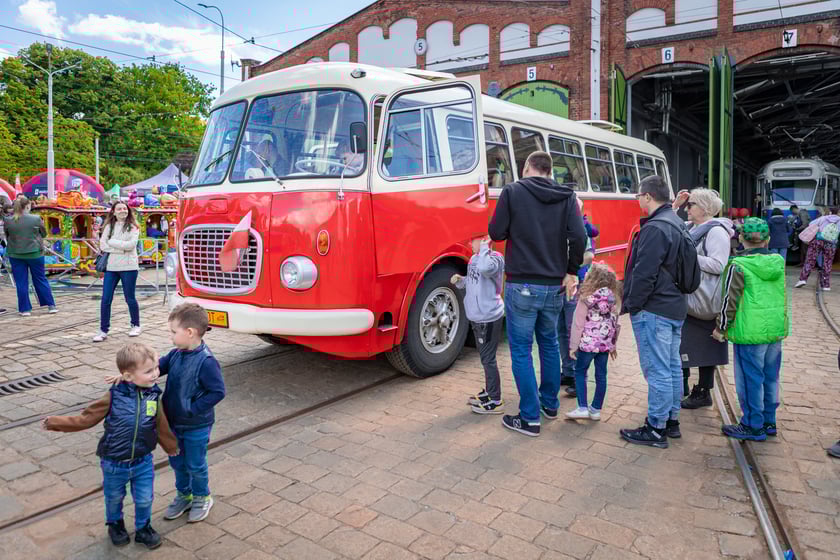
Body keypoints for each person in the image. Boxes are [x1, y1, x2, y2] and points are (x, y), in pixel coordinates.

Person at [489, 151, 587, 437]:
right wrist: (571, 270)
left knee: (521, 350)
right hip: (554, 284)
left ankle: (529, 418)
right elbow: (579, 237)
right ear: (549, 170)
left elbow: (496, 232)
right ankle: (550, 405)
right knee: (549, 345)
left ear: (527, 167)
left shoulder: (512, 191)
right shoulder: (567, 196)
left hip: (522, 283)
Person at [43, 343, 178, 549]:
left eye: (156, 369)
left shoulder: (153, 395)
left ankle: (144, 528)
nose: (155, 374)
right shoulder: (113, 395)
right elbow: (86, 419)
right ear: (128, 376)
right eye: (149, 371)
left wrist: (170, 447)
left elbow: (160, 424)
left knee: (144, 498)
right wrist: (56, 422)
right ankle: (115, 524)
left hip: (143, 461)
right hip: (114, 462)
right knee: (114, 497)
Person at [620, 176, 688, 448]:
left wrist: (633, 305)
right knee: (671, 366)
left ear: (647, 196)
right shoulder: (676, 222)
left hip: (655, 309)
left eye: (639, 195)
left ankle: (655, 428)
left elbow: (643, 273)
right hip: (674, 305)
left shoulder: (655, 228)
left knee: (657, 369)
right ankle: (671, 421)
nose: (637, 200)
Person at [715, 218, 788, 441]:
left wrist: (721, 328)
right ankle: (768, 420)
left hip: (749, 331)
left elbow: (730, 300)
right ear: (767, 240)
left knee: (751, 378)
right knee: (770, 376)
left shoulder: (738, 265)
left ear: (741, 240)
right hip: (774, 329)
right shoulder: (777, 262)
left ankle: (752, 424)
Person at [161, 303, 226, 522]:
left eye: (173, 332)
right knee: (177, 462)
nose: (171, 337)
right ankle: (184, 495)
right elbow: (156, 367)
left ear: (189, 333)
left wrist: (192, 409)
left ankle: (202, 496)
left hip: (196, 425)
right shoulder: (175, 354)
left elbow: (217, 392)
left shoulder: (206, 362)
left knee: (196, 464)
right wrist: (136, 370)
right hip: (173, 424)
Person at [670, 188, 734, 410]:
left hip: (704, 299)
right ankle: (683, 386)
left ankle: (703, 391)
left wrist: (690, 258)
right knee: (682, 343)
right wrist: (675, 205)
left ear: (705, 208)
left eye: (691, 204)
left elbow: (719, 265)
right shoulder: (690, 227)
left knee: (708, 346)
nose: (688, 209)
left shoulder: (716, 232)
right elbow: (665, 225)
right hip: (689, 295)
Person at [452, 236, 505, 414]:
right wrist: (461, 281)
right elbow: (473, 282)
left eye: (473, 242)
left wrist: (484, 247)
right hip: (476, 316)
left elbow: (486, 269)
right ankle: (490, 391)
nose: (470, 245)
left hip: (488, 317)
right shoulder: (475, 259)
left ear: (483, 241)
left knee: (488, 359)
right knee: (484, 358)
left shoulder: (495, 258)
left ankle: (496, 399)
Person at [565, 263, 620, 420]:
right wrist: (613, 345)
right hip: (604, 346)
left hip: (587, 345)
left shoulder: (585, 298)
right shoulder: (613, 299)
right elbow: (615, 323)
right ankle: (595, 409)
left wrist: (573, 346)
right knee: (601, 375)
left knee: (580, 372)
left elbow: (577, 323)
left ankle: (582, 407)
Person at [562, 199, 598, 399]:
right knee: (561, 329)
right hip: (562, 284)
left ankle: (578, 378)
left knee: (572, 330)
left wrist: (568, 266)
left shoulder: (580, 230)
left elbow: (589, 256)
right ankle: (567, 372)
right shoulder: (561, 225)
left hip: (576, 284)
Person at [2, 196, 57, 317]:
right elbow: (43, 233)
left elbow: (7, 236)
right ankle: (50, 305)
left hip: (15, 254)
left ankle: (24, 309)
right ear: (27, 206)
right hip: (35, 253)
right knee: (40, 279)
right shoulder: (36, 218)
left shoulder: (8, 220)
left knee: (21, 282)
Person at [94, 202, 141, 342]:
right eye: (119, 209)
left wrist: (112, 242)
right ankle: (103, 329)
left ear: (128, 211)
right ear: (113, 212)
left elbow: (131, 245)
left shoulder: (134, 227)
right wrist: (121, 248)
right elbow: (103, 245)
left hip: (129, 267)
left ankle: (136, 324)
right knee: (106, 299)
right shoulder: (109, 226)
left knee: (130, 298)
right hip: (112, 267)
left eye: (125, 208)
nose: (122, 211)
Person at [795, 207, 840, 291]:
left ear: (830, 212)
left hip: (818, 240)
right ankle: (826, 285)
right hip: (831, 243)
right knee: (827, 262)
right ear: (838, 212)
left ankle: (803, 279)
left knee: (810, 259)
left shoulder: (823, 218)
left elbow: (811, 224)